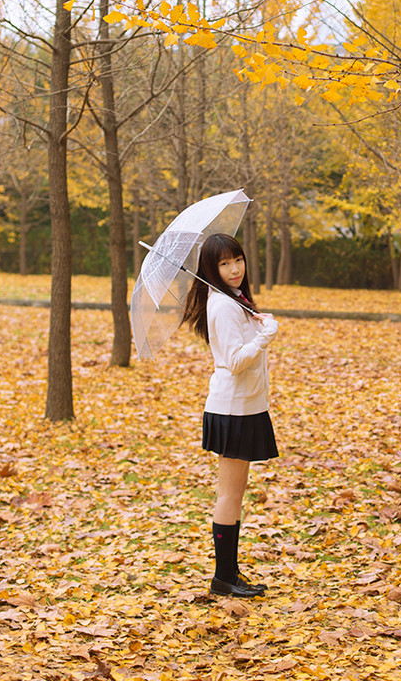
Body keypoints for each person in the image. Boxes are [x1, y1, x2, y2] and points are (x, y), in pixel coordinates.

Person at [181, 232, 279, 598]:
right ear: (211, 267)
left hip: (244, 406)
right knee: (230, 495)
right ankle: (224, 578)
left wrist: (255, 322)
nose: (234, 268)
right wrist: (265, 335)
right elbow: (235, 361)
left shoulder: (233, 300)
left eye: (236, 259)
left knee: (235, 493)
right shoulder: (222, 306)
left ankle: (229, 573)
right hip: (233, 409)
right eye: (224, 263)